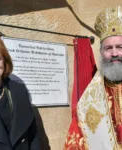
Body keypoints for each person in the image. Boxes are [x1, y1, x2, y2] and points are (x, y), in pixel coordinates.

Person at [64, 6, 122, 150]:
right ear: (101, 52)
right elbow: (75, 143)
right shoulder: (87, 103)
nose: (115, 53)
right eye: (108, 48)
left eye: (120, 47)